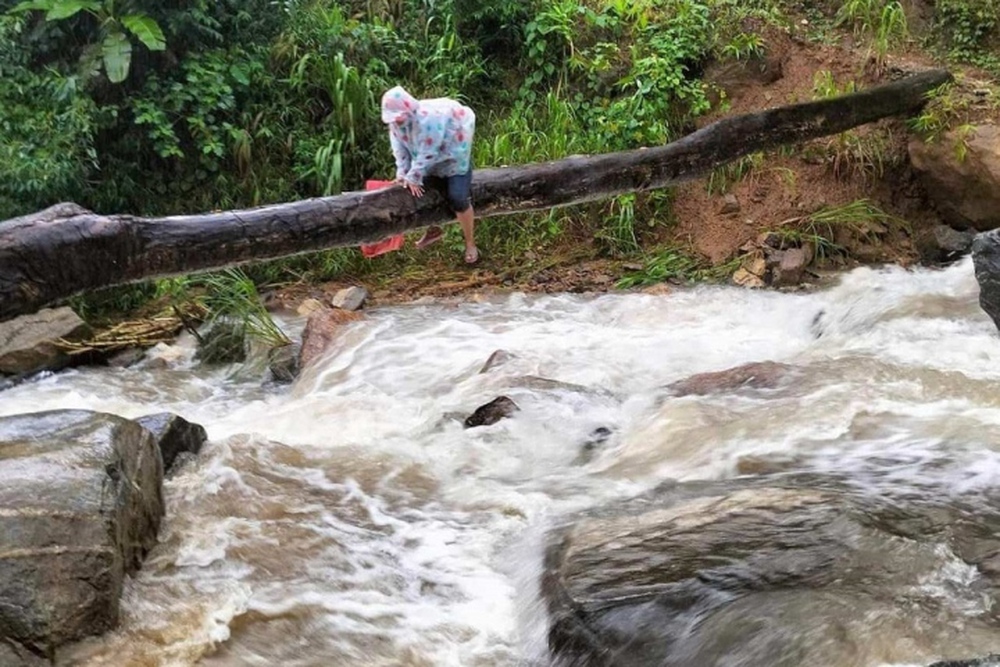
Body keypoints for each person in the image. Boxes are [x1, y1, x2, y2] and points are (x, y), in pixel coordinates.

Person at [381, 86, 478, 264]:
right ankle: (433, 230)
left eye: (399, 117)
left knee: (458, 198)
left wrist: (414, 176)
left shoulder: (429, 120)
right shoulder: (396, 125)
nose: (397, 122)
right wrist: (402, 172)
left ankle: (470, 243)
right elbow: (399, 149)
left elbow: (429, 151)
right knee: (421, 194)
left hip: (454, 151)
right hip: (425, 157)